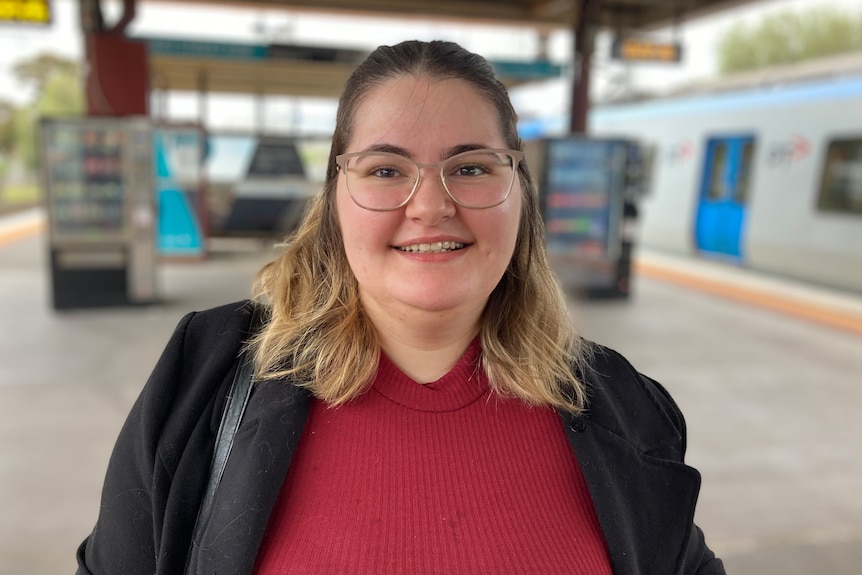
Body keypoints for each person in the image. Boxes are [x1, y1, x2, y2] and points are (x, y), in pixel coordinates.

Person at [76, 40, 725, 575]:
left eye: (470, 167)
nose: (430, 205)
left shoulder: (623, 404)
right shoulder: (205, 380)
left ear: (518, 192)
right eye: (386, 169)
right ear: (335, 196)